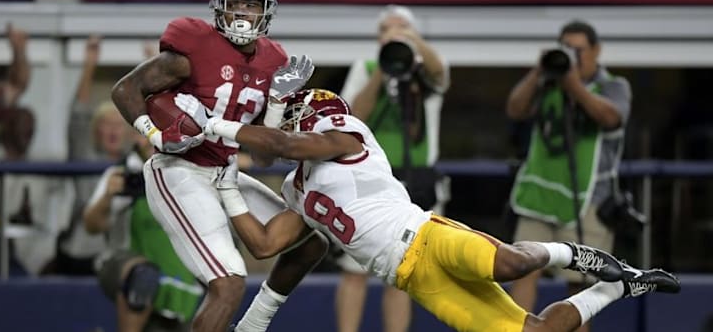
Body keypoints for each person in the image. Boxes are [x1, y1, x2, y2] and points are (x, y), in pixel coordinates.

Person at [173, 88, 680, 332]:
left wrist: (213, 125)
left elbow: (287, 143)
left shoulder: (350, 136)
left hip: (424, 236)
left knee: (513, 263)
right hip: (410, 278)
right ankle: (614, 286)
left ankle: (576, 253)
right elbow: (263, 244)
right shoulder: (295, 189)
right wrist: (227, 186)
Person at [111, 0, 328, 332]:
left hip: (225, 172)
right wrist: (154, 133)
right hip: (178, 170)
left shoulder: (273, 60)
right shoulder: (192, 43)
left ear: (267, 12)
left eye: (252, 4)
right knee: (227, 284)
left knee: (311, 243)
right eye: (236, 3)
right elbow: (125, 90)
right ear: (219, 6)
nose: (243, 12)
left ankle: (253, 325)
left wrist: (276, 102)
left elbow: (263, 157)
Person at [505, 20, 632, 331]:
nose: (573, 56)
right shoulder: (546, 83)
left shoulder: (614, 85)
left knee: (579, 287)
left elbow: (611, 118)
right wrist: (539, 71)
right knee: (522, 272)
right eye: (567, 49)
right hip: (538, 197)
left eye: (580, 50)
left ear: (596, 51)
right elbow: (515, 109)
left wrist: (573, 84)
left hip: (588, 201)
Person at [338, 4, 449, 332]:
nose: (396, 33)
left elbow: (440, 75)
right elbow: (351, 116)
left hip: (417, 181)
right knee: (353, 270)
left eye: (403, 27)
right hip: (371, 179)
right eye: (389, 29)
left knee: (401, 274)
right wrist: (381, 70)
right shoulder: (367, 65)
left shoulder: (426, 69)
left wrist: (411, 42)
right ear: (378, 37)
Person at [83, 134, 204, 332]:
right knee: (143, 276)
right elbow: (92, 226)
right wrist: (107, 196)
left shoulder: (187, 173)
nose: (152, 141)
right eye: (146, 134)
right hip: (121, 263)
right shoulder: (121, 174)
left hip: (177, 275)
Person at [43, 34, 132, 276]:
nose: (113, 130)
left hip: (118, 251)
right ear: (96, 130)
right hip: (80, 251)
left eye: (118, 125)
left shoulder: (132, 159)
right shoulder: (87, 154)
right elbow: (79, 116)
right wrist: (89, 63)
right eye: (106, 124)